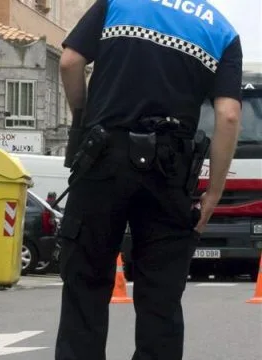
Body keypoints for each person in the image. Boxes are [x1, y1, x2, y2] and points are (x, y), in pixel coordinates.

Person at [55, 1, 242, 359]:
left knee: (85, 283)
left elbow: (70, 62)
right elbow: (229, 115)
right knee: (161, 297)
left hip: (102, 157)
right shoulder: (222, 31)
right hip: (169, 171)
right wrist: (213, 193)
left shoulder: (118, 3)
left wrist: (85, 123)